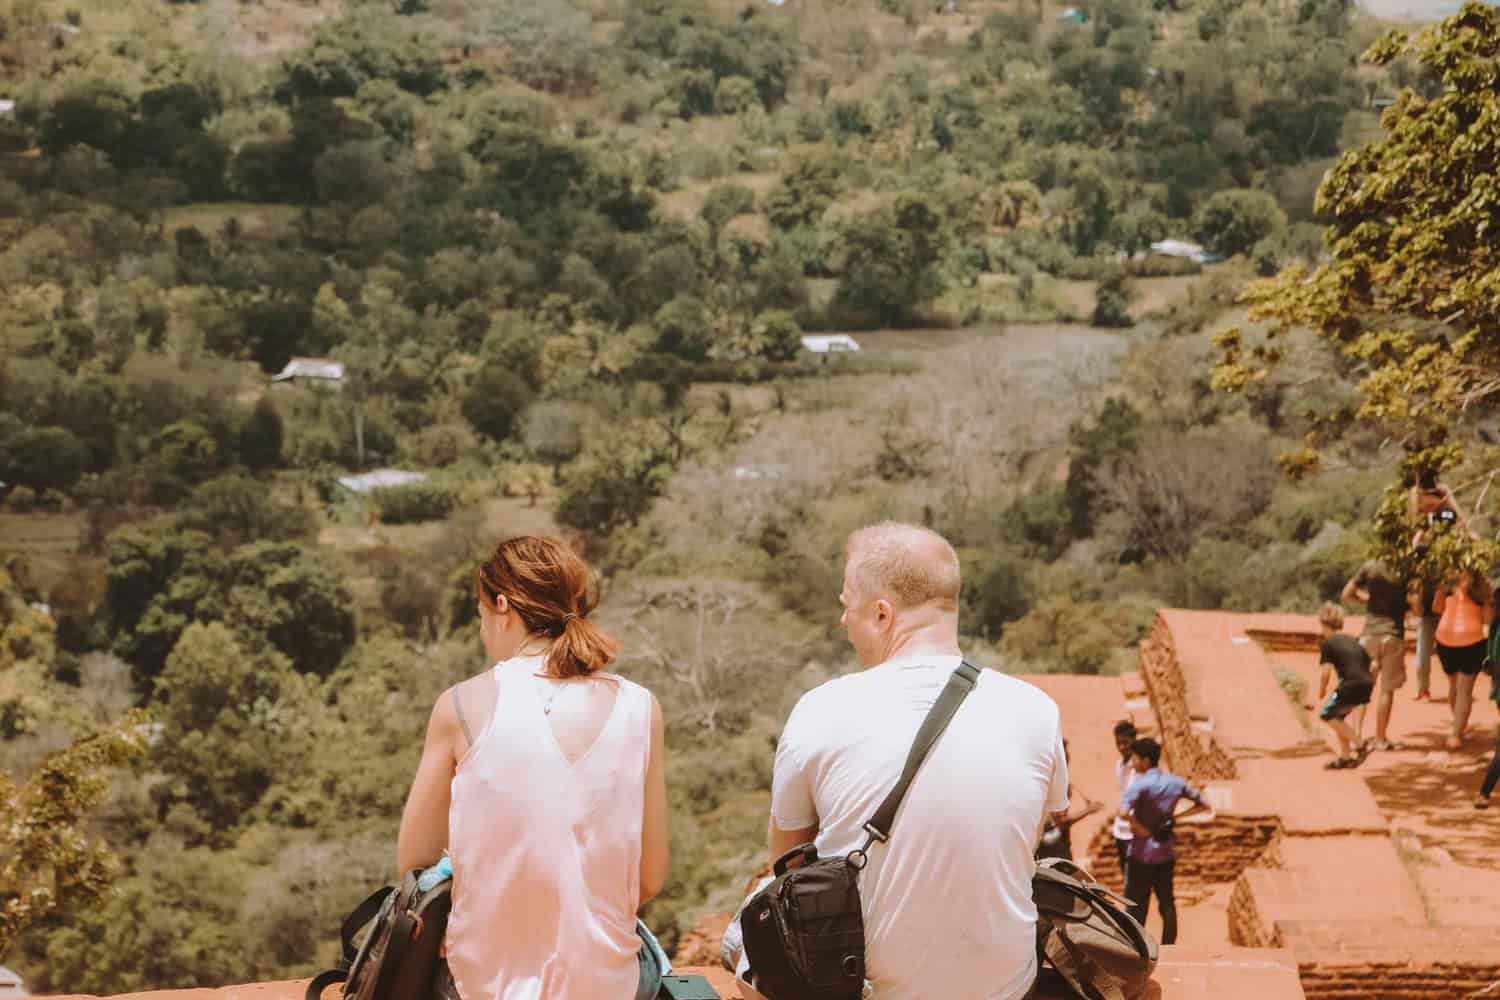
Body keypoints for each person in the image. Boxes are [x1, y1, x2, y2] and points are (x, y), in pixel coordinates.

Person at [747, 521, 1069, 1000]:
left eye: (846, 607)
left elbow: (787, 861)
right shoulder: (1037, 709)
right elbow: (1027, 838)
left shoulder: (821, 708)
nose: (842, 623)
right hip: (1004, 988)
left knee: (753, 911)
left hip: (861, 985)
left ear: (881, 615)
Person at [396, 536, 671, 1000]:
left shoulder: (461, 705)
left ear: (502, 605)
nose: (482, 627)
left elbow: (414, 863)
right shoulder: (642, 707)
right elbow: (648, 877)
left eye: (481, 612)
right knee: (646, 951)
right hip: (608, 986)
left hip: (479, 984)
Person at [1120, 738, 1209, 947]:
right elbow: (1203, 803)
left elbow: (1122, 813)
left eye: (1135, 758)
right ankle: (1169, 947)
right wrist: (1179, 817)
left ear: (1145, 760)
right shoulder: (1175, 783)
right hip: (1165, 854)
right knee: (1167, 905)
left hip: (1140, 854)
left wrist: (1141, 829)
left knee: (1136, 906)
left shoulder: (1140, 785)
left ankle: (1136, 948)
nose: (1133, 762)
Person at [1341, 559, 1409, 751]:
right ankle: (1380, 739)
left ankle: (1356, 735)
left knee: (1363, 687)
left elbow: (1347, 593)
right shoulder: (1405, 568)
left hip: (1369, 633)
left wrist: (1366, 600)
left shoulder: (1370, 566)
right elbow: (1416, 604)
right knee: (1386, 691)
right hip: (1393, 634)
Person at [1410, 474, 1466, 701]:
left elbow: (1461, 522)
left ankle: (1452, 683)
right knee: (1425, 643)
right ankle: (1426, 686)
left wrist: (1445, 497)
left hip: (1442, 594)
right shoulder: (1429, 522)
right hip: (1431, 594)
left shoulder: (1442, 518)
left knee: (1437, 643)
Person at [1432, 569, 1494, 751]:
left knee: (1459, 688)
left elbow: (1437, 609)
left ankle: (1456, 731)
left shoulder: (1453, 586)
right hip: (1462, 642)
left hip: (1453, 642)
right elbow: (1487, 619)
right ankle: (1459, 728)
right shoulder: (1479, 589)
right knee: (1460, 689)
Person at [1314, 602, 1374, 769]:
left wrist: (1321, 690)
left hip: (1350, 684)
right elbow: (1371, 663)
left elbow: (1325, 672)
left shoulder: (1328, 643)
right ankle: (1345, 756)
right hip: (1366, 682)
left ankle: (1361, 745)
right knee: (1338, 717)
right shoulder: (1353, 640)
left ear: (1325, 624)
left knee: (1327, 715)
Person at [1037, 739, 1102, 863]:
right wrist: (1089, 810)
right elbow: (1061, 822)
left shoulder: (1049, 782)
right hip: (1054, 848)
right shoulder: (1058, 786)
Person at [1111, 720, 1139, 875]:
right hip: (1121, 830)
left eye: (1125, 743)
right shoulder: (1119, 765)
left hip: (1136, 832)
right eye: (1118, 744)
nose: (1122, 747)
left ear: (1134, 740)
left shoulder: (1142, 766)